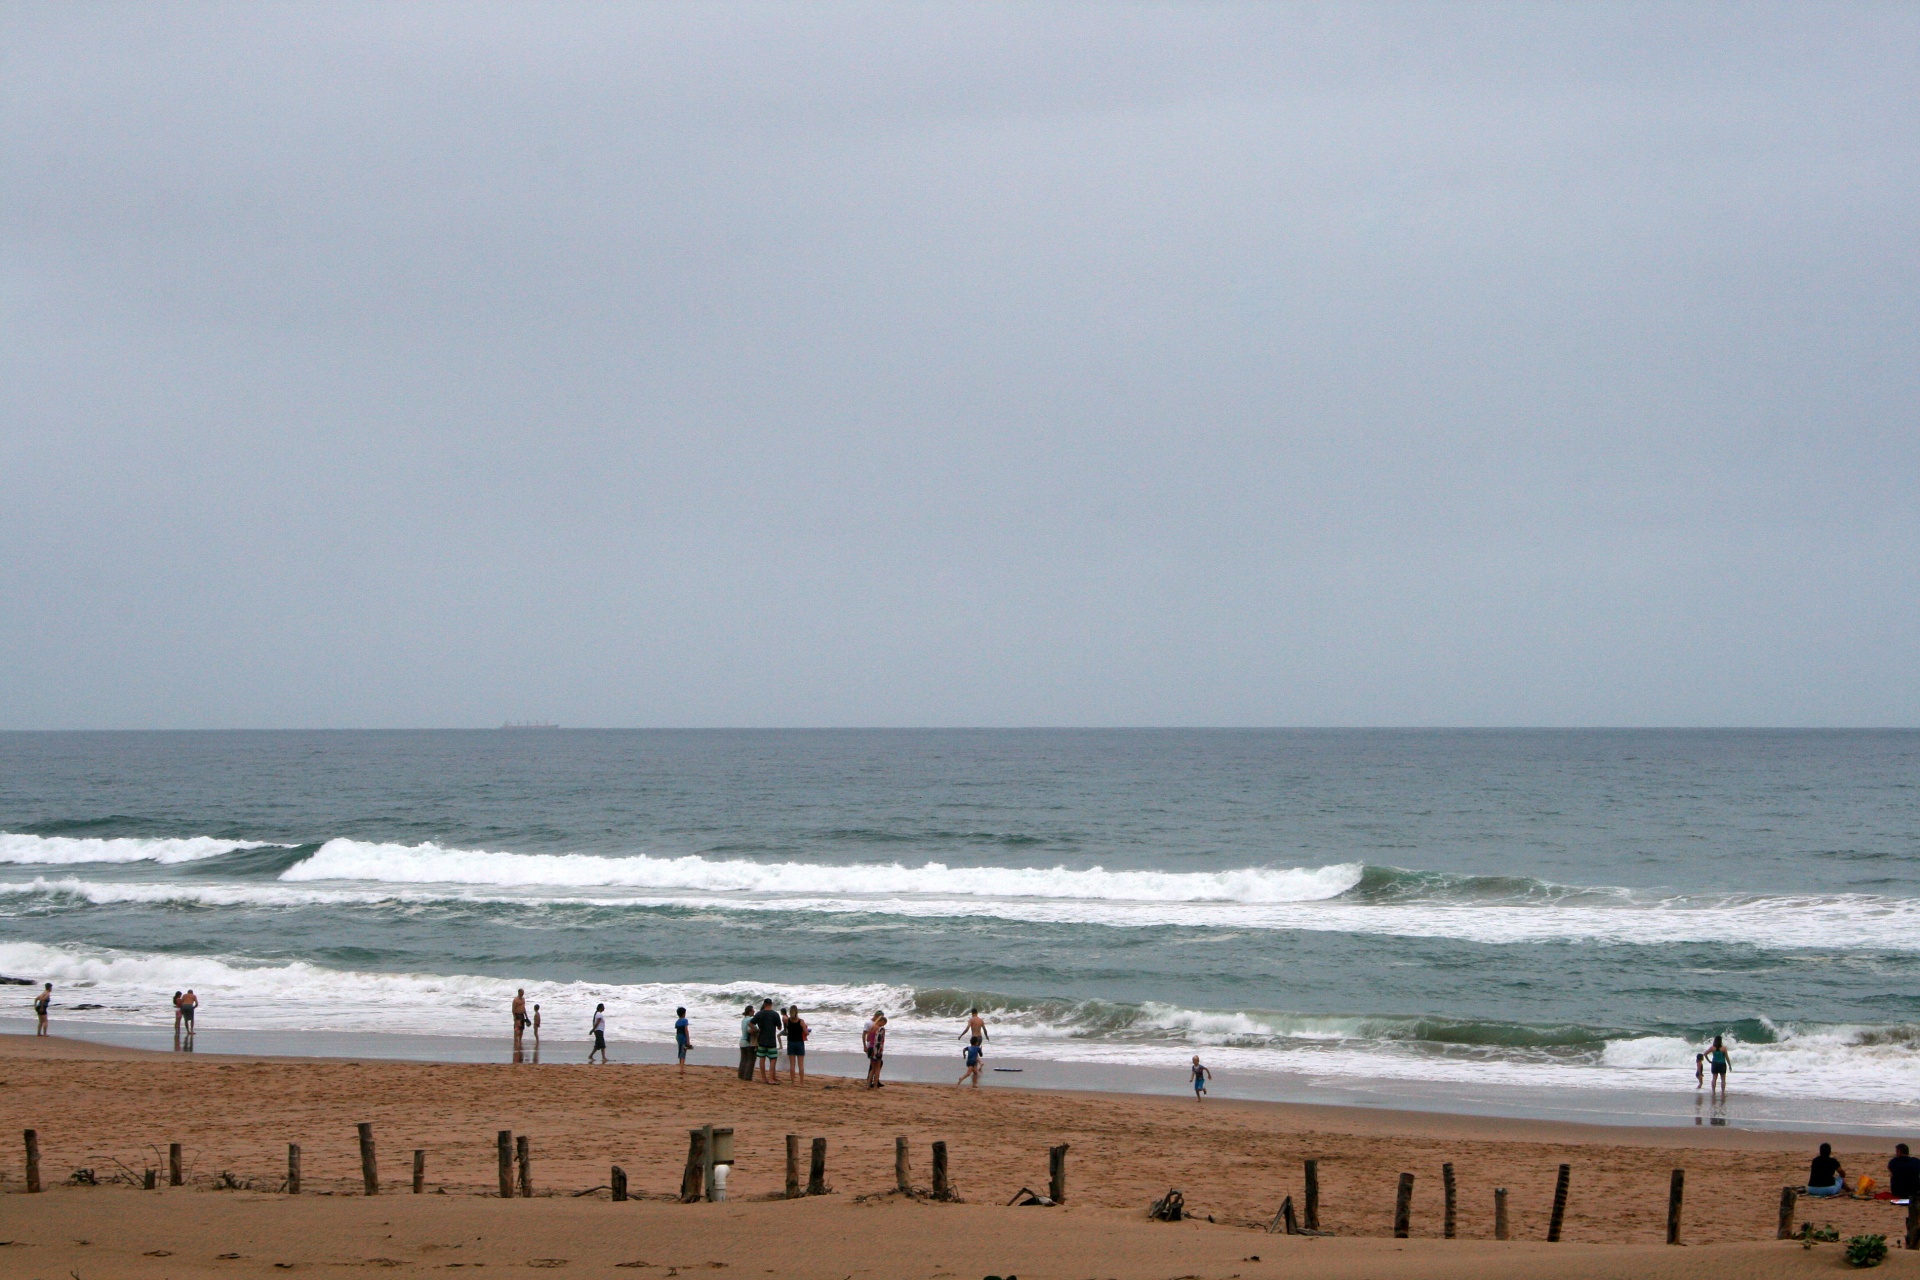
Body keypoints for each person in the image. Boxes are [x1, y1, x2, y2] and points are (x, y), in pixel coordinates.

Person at [752, 999, 783, 1083]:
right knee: (773, 1059)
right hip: (771, 1040)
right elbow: (779, 1027)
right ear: (771, 1004)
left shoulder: (759, 1014)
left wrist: (755, 1030)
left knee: (762, 1058)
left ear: (764, 1004)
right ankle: (771, 1078)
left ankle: (763, 1078)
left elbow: (751, 1023)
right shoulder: (775, 1014)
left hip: (761, 1039)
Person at [784, 1006, 809, 1084]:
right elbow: (806, 1033)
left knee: (792, 1064)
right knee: (800, 1064)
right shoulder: (801, 1021)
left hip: (791, 1042)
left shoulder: (787, 1021)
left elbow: (786, 1031)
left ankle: (793, 1082)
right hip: (799, 1043)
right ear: (797, 1012)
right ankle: (801, 1082)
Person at [863, 1012, 888, 1088]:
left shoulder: (872, 1027)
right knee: (877, 1068)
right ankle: (875, 1085)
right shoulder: (880, 1029)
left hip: (870, 1048)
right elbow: (880, 1041)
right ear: (881, 1021)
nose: (884, 1025)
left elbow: (867, 1039)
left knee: (872, 1068)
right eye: (884, 1023)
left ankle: (868, 1084)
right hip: (876, 1049)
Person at [1706, 1035, 1731, 1100]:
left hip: (1714, 1064)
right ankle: (1722, 1092)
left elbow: (1705, 1053)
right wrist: (1729, 1065)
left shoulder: (1712, 1048)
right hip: (1722, 1064)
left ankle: (1713, 1091)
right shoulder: (1724, 1048)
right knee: (1723, 1079)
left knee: (1714, 1078)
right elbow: (1727, 1057)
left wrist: (1709, 1061)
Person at [738, 1003, 757, 1081]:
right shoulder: (750, 1020)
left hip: (742, 1041)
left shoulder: (743, 1020)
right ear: (750, 1012)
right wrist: (757, 1030)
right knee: (750, 1059)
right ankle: (748, 1076)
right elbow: (751, 1030)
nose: (754, 1012)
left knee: (743, 1060)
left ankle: (741, 1075)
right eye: (753, 1011)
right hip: (748, 1042)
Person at [674, 1007, 692, 1074]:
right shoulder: (685, 1020)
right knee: (683, 1052)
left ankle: (680, 1067)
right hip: (683, 1037)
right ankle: (681, 1069)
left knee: (680, 1051)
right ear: (684, 1013)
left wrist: (677, 1038)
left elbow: (677, 1031)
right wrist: (688, 1041)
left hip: (678, 1037)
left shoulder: (677, 1021)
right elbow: (686, 1031)